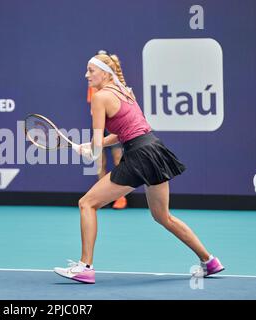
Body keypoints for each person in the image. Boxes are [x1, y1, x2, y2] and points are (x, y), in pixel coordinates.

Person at [54, 51, 224, 284]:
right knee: (163, 216)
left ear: (105, 73)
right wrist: (95, 145)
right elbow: (125, 131)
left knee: (87, 203)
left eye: (90, 70)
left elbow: (96, 147)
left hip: (139, 155)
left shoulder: (100, 97)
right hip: (155, 149)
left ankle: (85, 266)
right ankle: (210, 261)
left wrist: (88, 149)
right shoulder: (125, 91)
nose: (86, 75)